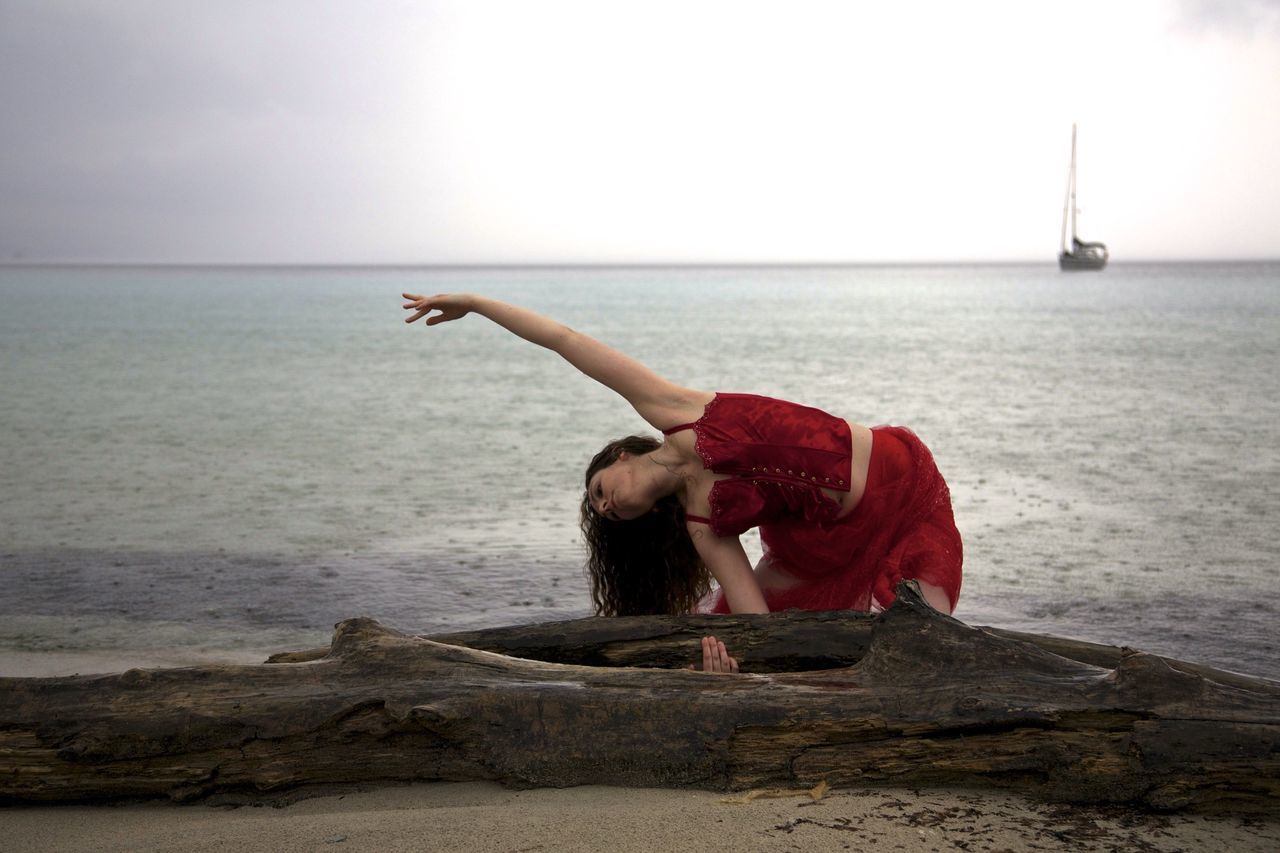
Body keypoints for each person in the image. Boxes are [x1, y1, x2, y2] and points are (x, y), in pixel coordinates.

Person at [402, 292, 963, 673]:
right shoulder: (704, 526)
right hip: (827, 541)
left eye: (600, 490)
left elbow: (563, 339)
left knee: (930, 639)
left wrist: (474, 303)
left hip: (901, 482)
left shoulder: (674, 409)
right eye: (609, 514)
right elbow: (756, 623)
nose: (608, 504)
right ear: (645, 519)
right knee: (729, 638)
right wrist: (736, 668)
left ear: (622, 455)